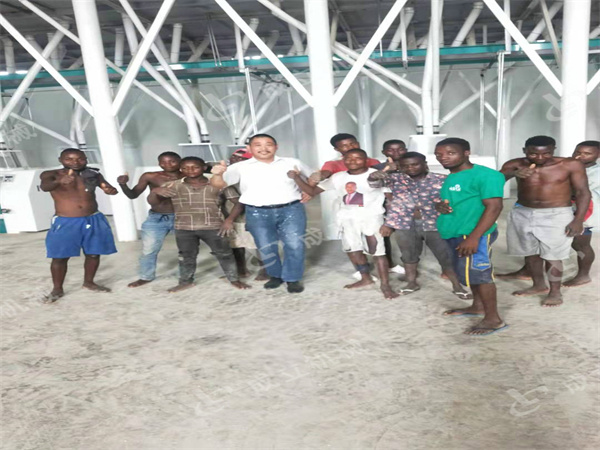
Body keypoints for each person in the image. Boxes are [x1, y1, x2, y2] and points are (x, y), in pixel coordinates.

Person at [289, 149, 399, 299]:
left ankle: (385, 285)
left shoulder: (376, 175)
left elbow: (392, 199)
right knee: (354, 249)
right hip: (347, 219)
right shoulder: (338, 177)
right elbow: (312, 191)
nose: (353, 161)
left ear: (366, 160)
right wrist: (296, 178)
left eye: (358, 158)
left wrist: (390, 222)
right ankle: (365, 278)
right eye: (349, 158)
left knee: (378, 252)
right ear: (343, 160)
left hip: (372, 219)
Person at [210, 134, 312, 294]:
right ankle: (275, 275)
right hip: (257, 212)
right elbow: (218, 185)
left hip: (291, 209)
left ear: (276, 147)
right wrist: (217, 174)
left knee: (294, 244)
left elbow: (314, 176)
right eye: (258, 145)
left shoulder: (292, 162)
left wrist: (310, 192)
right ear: (249, 148)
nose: (264, 148)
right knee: (265, 246)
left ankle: (292, 278)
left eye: (268, 144)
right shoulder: (240, 167)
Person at [500, 136, 590, 307]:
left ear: (553, 150)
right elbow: (493, 181)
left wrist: (578, 220)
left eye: (546, 153)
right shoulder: (515, 164)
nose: (540, 158)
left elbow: (583, 192)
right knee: (531, 253)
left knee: (553, 256)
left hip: (557, 213)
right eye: (533, 154)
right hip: (523, 212)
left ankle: (555, 292)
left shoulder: (570, 164)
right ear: (524, 151)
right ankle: (538, 285)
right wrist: (513, 174)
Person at [369, 152, 471, 298]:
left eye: (415, 164)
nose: (410, 168)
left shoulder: (441, 179)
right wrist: (377, 174)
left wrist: (446, 208)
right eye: (405, 166)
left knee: (445, 256)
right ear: (400, 167)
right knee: (408, 255)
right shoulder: (395, 179)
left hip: (434, 224)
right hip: (404, 224)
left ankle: (457, 286)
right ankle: (411, 283)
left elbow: (456, 200)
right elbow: (374, 183)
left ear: (425, 164)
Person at [434, 138, 507, 336]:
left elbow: (495, 207)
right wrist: (439, 206)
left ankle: (494, 319)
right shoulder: (452, 176)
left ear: (466, 153)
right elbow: (458, 201)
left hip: (473, 234)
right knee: (470, 273)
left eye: (450, 153)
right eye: (439, 154)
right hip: (455, 231)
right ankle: (478, 307)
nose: (443, 158)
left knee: (481, 274)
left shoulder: (486, 175)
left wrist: (474, 237)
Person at [153, 157, 251, 293]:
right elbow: (153, 202)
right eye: (185, 168)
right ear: (180, 169)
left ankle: (234, 279)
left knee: (224, 254)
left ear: (204, 168)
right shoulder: (172, 185)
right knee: (186, 256)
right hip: (184, 227)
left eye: (195, 167)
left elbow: (239, 203)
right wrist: (154, 192)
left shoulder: (218, 183)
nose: (190, 170)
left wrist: (229, 220)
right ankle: (185, 281)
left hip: (214, 226)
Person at [40, 148, 118, 302]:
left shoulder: (93, 174)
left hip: (93, 218)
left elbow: (108, 188)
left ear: (86, 159)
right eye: (69, 159)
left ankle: (89, 282)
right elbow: (45, 187)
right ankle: (57, 289)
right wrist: (59, 182)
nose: (75, 162)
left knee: (94, 253)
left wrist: (111, 190)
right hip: (66, 221)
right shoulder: (51, 174)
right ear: (60, 160)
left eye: (80, 159)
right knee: (60, 257)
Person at [117, 152, 183, 287]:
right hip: (156, 217)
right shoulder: (150, 176)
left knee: (185, 250)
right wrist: (123, 185)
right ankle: (146, 276)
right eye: (163, 162)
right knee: (149, 249)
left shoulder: (187, 175)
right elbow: (133, 195)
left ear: (180, 162)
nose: (167, 165)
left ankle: (185, 276)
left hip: (182, 216)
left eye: (172, 161)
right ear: (159, 163)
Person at [218, 149, 268, 281]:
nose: (236, 160)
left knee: (258, 244)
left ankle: (266, 271)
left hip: (251, 215)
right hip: (232, 215)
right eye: (234, 157)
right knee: (235, 245)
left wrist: (229, 219)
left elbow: (239, 201)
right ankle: (241, 270)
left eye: (241, 158)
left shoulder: (255, 173)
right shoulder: (226, 174)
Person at [564, 140, 600, 287]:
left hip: (586, 212)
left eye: (587, 153)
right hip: (569, 208)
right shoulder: (572, 166)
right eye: (577, 152)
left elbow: (579, 190)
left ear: (598, 154)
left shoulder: (597, 173)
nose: (580, 156)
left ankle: (583, 275)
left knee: (581, 244)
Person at [308, 133, 380, 184]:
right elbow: (325, 172)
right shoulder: (333, 163)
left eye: (353, 143)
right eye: (345, 146)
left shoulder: (373, 161)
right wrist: (320, 175)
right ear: (336, 149)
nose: (351, 147)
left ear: (358, 143)